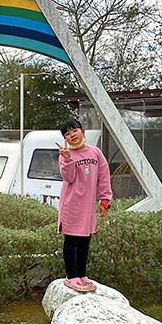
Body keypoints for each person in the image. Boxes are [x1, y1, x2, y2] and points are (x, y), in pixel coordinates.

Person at [57, 118, 112, 293]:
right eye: (67, 133)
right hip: (71, 204)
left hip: (87, 207)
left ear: (83, 131)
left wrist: (105, 201)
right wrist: (67, 159)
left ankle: (82, 274)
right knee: (71, 241)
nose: (72, 135)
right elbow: (69, 178)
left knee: (85, 241)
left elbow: (103, 177)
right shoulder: (65, 154)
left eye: (74, 130)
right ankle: (71, 275)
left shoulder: (95, 152)